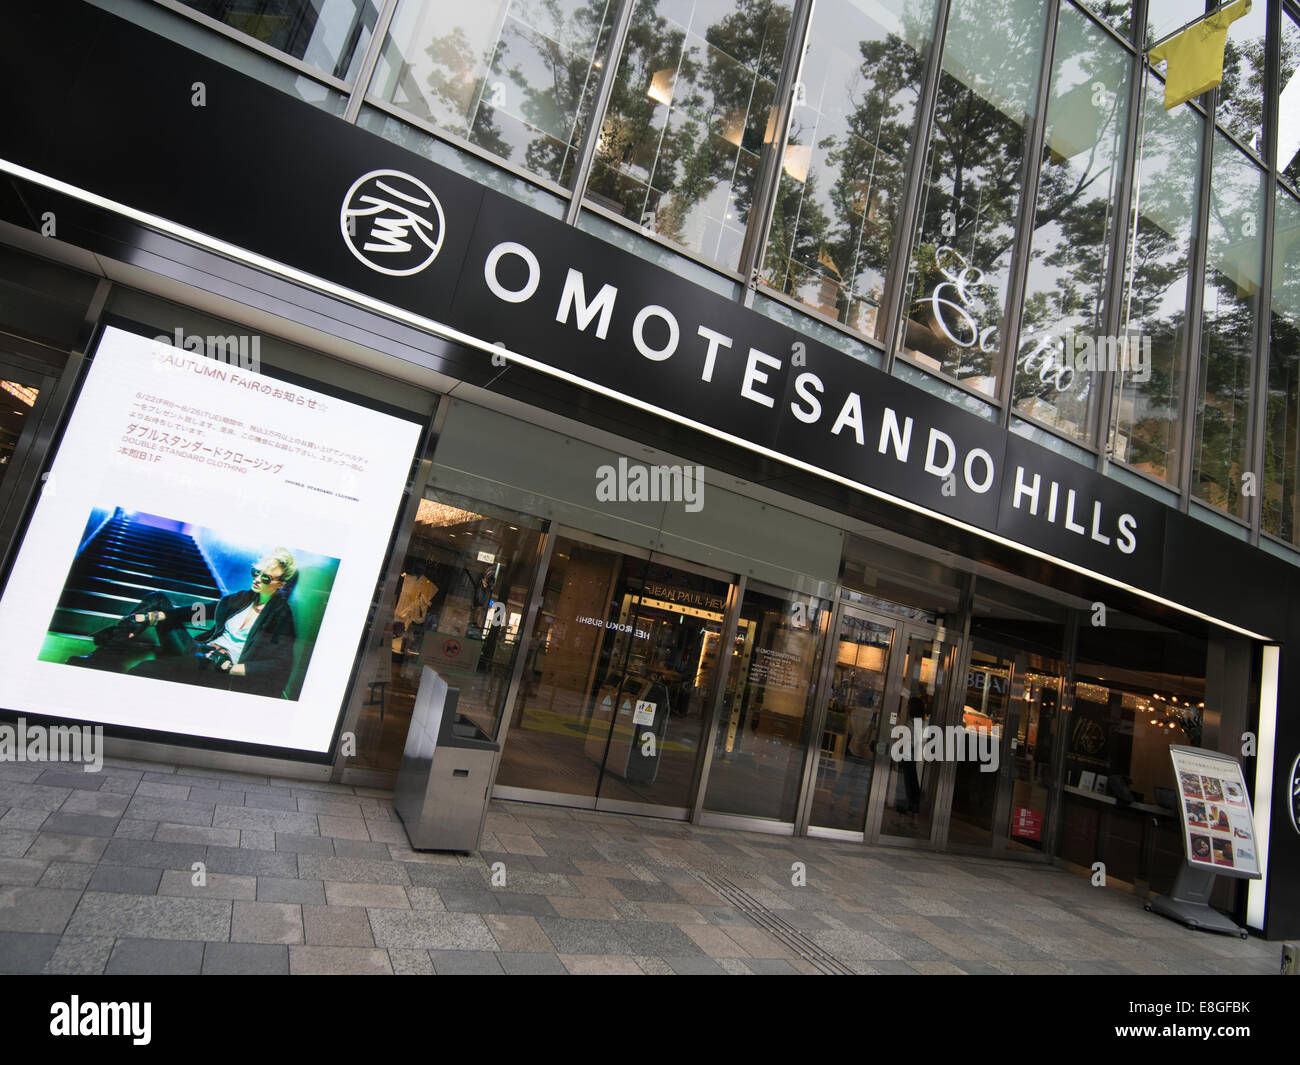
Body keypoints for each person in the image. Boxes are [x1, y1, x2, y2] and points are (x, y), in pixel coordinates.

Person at [72, 549, 298, 698]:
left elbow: (279, 664)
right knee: (157, 599)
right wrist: (156, 617)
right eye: (256, 573)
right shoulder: (241, 598)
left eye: (266, 577)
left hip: (217, 666)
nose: (257, 579)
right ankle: (101, 658)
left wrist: (232, 668)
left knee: (144, 669)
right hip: (197, 649)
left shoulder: (280, 616)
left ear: (281, 584)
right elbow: (198, 612)